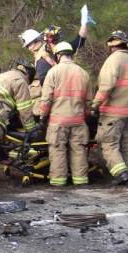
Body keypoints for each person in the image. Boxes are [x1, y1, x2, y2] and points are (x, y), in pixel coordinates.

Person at [38, 42, 94, 186]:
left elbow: (46, 98)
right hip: (78, 121)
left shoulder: (53, 72)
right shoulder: (83, 73)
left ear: (57, 55)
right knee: (79, 150)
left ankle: (58, 182)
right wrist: (86, 115)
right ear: (71, 54)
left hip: (58, 122)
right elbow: (89, 102)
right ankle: (81, 181)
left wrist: (42, 117)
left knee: (57, 151)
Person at [19, 5, 92, 112]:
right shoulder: (48, 55)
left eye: (29, 46)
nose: (29, 49)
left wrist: (84, 23)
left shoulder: (44, 58)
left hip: (57, 100)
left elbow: (80, 40)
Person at [92, 30, 128, 185]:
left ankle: (120, 174)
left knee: (109, 144)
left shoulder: (113, 60)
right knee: (126, 146)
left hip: (113, 112)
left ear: (111, 46)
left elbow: (107, 85)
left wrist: (95, 104)